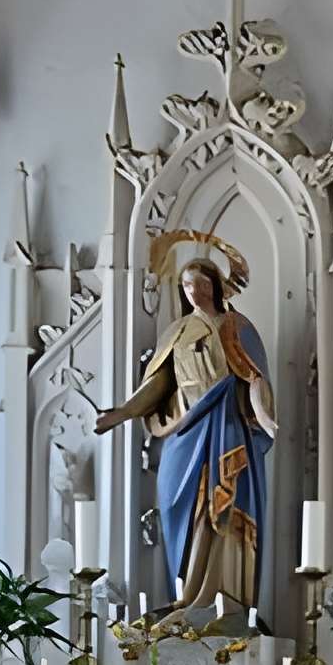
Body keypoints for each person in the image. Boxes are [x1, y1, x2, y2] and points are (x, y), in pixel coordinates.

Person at [97, 245, 276, 615]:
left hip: (228, 428)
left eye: (200, 283)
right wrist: (122, 413)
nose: (195, 291)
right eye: (187, 285)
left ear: (215, 284)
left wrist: (265, 417)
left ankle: (229, 602)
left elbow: (254, 378)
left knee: (227, 510)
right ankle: (187, 596)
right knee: (180, 508)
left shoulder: (238, 328)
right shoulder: (177, 333)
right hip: (186, 431)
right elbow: (158, 386)